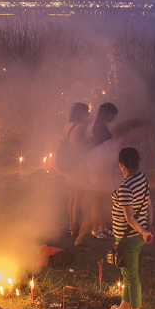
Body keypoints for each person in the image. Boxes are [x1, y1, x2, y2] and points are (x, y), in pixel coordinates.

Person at [78, 117, 140, 246]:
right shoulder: (121, 144)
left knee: (107, 209)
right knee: (108, 210)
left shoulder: (123, 143)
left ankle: (90, 234)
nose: (141, 135)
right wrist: (105, 185)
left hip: (100, 179)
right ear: (131, 131)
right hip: (97, 177)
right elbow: (108, 165)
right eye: (139, 131)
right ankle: (83, 237)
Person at [108, 146, 153, 309]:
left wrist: (143, 231)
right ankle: (124, 307)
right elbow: (149, 205)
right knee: (127, 272)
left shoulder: (126, 187)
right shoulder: (142, 179)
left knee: (132, 275)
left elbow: (129, 218)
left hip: (129, 237)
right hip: (136, 235)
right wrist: (148, 226)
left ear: (121, 164)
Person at [59, 102, 91, 238]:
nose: (88, 114)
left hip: (69, 164)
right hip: (78, 165)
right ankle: (75, 228)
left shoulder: (68, 125)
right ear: (81, 113)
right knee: (78, 198)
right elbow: (80, 147)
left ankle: (72, 226)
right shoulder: (80, 127)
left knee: (72, 196)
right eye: (87, 112)